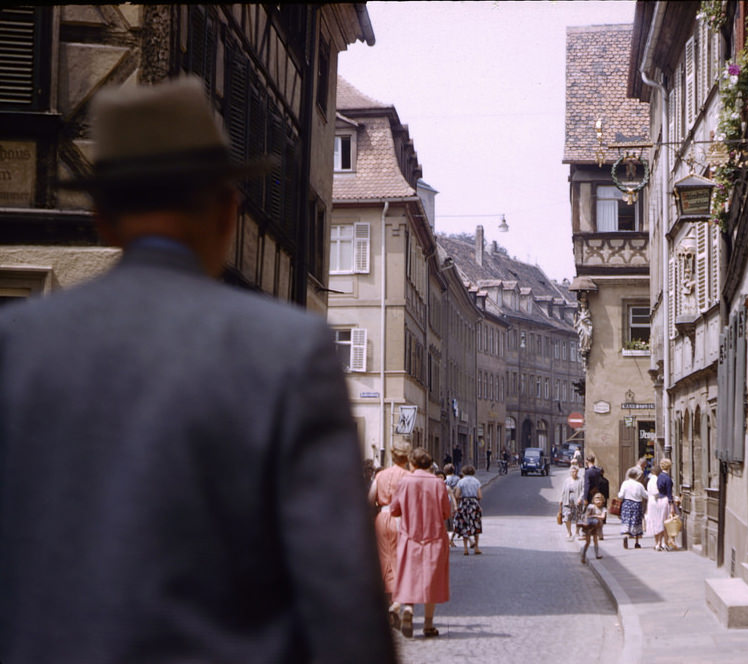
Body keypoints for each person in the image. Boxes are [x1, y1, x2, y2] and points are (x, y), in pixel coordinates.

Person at [0, 77, 394, 663]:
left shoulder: (17, 344)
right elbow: (341, 600)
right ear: (229, 210)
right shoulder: (288, 351)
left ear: (103, 219)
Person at [389, 447, 451, 639]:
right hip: (434, 537)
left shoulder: (405, 482)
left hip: (410, 537)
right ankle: (428, 625)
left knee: (410, 575)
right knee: (431, 581)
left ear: (412, 463)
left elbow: (394, 510)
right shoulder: (438, 483)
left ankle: (407, 609)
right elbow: (447, 512)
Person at [368, 438, 413, 629]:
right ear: (407, 457)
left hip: (383, 517)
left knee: (384, 560)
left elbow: (370, 499)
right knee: (402, 562)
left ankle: (388, 607)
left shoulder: (381, 476)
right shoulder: (409, 477)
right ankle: (399, 603)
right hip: (402, 519)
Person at [453, 464, 484, 555]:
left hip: (464, 504)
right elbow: (480, 496)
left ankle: (465, 549)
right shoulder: (476, 481)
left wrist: (461, 499)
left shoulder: (461, 482)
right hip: (474, 504)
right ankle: (476, 547)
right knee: (475, 525)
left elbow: (457, 495)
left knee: (464, 525)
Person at [618, 467, 649, 549]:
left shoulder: (625, 483)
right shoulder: (639, 485)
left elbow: (620, 495)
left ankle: (625, 536)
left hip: (627, 504)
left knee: (626, 520)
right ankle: (637, 542)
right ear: (636, 476)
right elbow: (645, 495)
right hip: (637, 504)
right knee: (636, 522)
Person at [559, 464, 585, 540]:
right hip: (567, 500)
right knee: (567, 516)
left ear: (577, 472)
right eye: (572, 472)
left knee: (578, 516)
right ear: (570, 472)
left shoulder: (580, 480)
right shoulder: (567, 481)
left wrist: (580, 498)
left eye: (575, 472)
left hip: (577, 501)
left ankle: (577, 532)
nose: (574, 473)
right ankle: (569, 532)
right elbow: (563, 491)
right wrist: (561, 499)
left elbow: (583, 490)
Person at [655, 458, 676, 551]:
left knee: (660, 521)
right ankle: (665, 542)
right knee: (667, 523)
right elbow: (669, 493)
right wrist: (672, 506)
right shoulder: (667, 478)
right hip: (666, 500)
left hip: (659, 500)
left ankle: (658, 543)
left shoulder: (659, 476)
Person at [581, 493, 607, 563]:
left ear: (603, 500)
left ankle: (597, 554)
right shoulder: (591, 506)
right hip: (589, 526)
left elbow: (603, 517)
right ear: (593, 500)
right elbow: (587, 515)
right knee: (588, 542)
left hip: (596, 526)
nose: (598, 501)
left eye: (600, 499)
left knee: (595, 541)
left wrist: (594, 516)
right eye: (597, 499)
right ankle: (583, 555)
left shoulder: (603, 509)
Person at [646, 462, 666, 550]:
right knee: (659, 521)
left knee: (654, 522)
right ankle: (659, 542)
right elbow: (655, 492)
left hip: (651, 502)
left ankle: (657, 542)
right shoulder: (656, 480)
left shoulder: (650, 480)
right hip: (657, 501)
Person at [443, 463, 461, 547]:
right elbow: (459, 489)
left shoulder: (445, 479)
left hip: (446, 500)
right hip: (455, 500)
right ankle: (451, 539)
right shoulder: (457, 478)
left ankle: (449, 539)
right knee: (454, 521)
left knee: (446, 521)